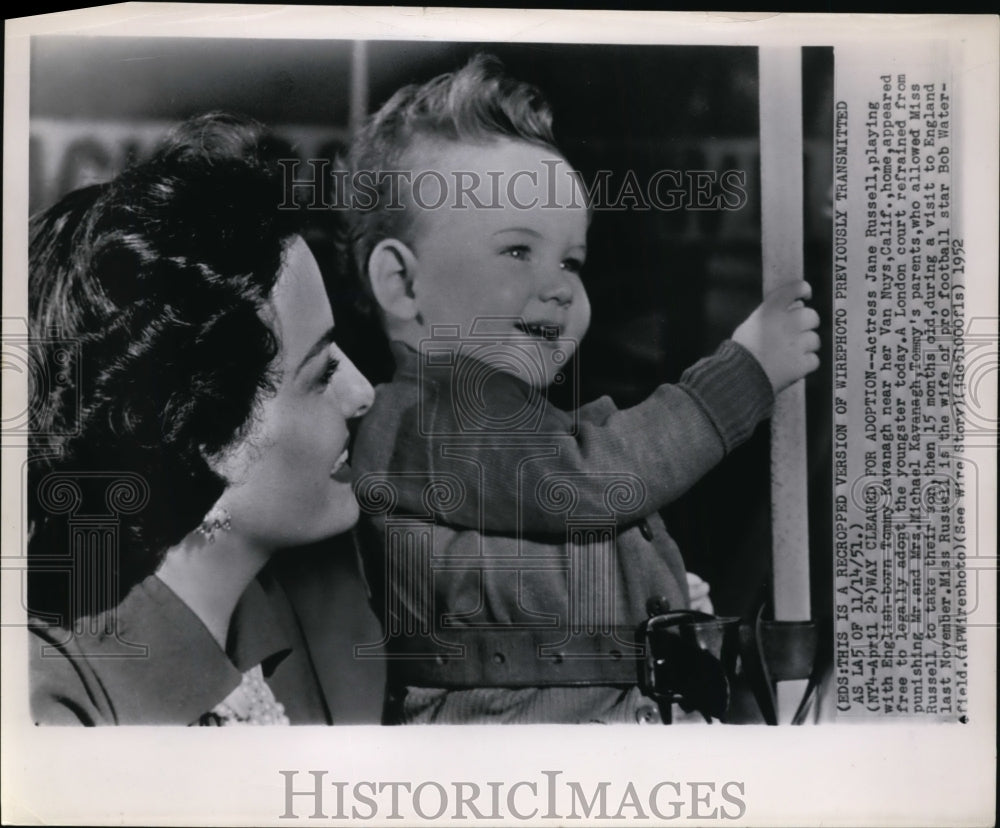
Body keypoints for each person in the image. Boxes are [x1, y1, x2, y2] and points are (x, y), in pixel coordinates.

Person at [342, 55, 821, 724]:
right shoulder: (425, 419)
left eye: (572, 259)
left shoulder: (502, 431)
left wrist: (657, 589)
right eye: (517, 251)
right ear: (403, 285)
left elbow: (566, 532)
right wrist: (744, 373)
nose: (560, 284)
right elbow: (596, 478)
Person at [27, 112, 378, 725]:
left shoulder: (277, 627)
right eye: (321, 373)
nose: (362, 391)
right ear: (210, 433)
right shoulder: (53, 699)